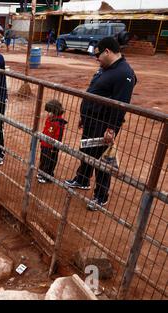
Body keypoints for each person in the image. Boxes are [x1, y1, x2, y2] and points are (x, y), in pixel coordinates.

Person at [65, 37, 137, 211]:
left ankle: (101, 196)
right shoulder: (105, 68)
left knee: (102, 160)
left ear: (107, 51)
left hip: (104, 124)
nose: (96, 58)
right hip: (92, 119)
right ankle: (82, 179)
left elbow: (121, 105)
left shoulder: (124, 74)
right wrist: (84, 115)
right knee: (87, 150)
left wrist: (111, 128)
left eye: (98, 55)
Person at [37, 99, 67, 184]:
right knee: (43, 159)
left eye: (50, 112)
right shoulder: (50, 118)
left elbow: (59, 136)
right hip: (44, 144)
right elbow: (46, 128)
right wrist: (42, 137)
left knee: (49, 161)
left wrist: (55, 147)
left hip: (52, 147)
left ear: (56, 111)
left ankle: (48, 176)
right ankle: (42, 172)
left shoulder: (59, 122)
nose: (48, 114)